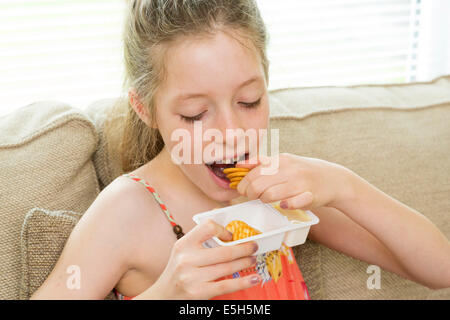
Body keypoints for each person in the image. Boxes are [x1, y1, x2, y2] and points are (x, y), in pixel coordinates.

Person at [31, 0, 450, 300]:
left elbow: (439, 269)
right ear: (146, 109)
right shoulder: (127, 211)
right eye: (196, 114)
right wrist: (165, 293)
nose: (231, 133)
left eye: (249, 101)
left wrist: (342, 185)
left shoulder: (276, 189)